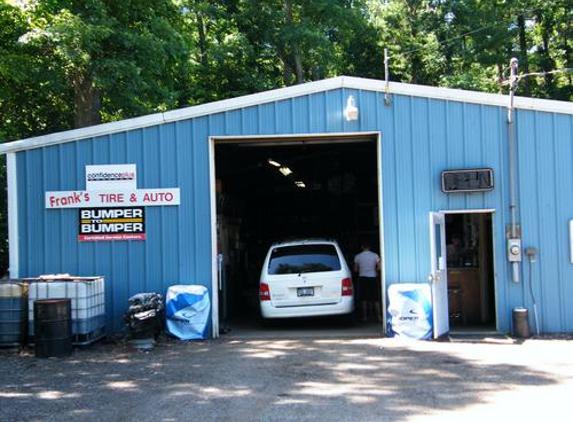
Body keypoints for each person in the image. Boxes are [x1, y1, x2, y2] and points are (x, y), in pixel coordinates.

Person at [354, 242, 382, 322]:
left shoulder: (358, 256)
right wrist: (375, 271)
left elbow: (355, 269)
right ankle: (379, 317)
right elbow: (379, 268)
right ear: (370, 247)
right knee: (375, 298)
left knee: (364, 299)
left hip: (363, 278)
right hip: (372, 278)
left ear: (362, 247)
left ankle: (365, 317)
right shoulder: (375, 255)